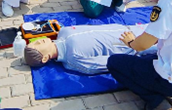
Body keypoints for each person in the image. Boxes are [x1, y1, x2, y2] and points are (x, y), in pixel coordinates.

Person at [23, 24, 156, 74]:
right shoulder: (72, 60)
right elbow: (109, 63)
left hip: (132, 28)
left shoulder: (63, 31)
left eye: (33, 42)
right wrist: (133, 48)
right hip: (136, 45)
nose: (37, 41)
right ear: (45, 58)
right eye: (36, 46)